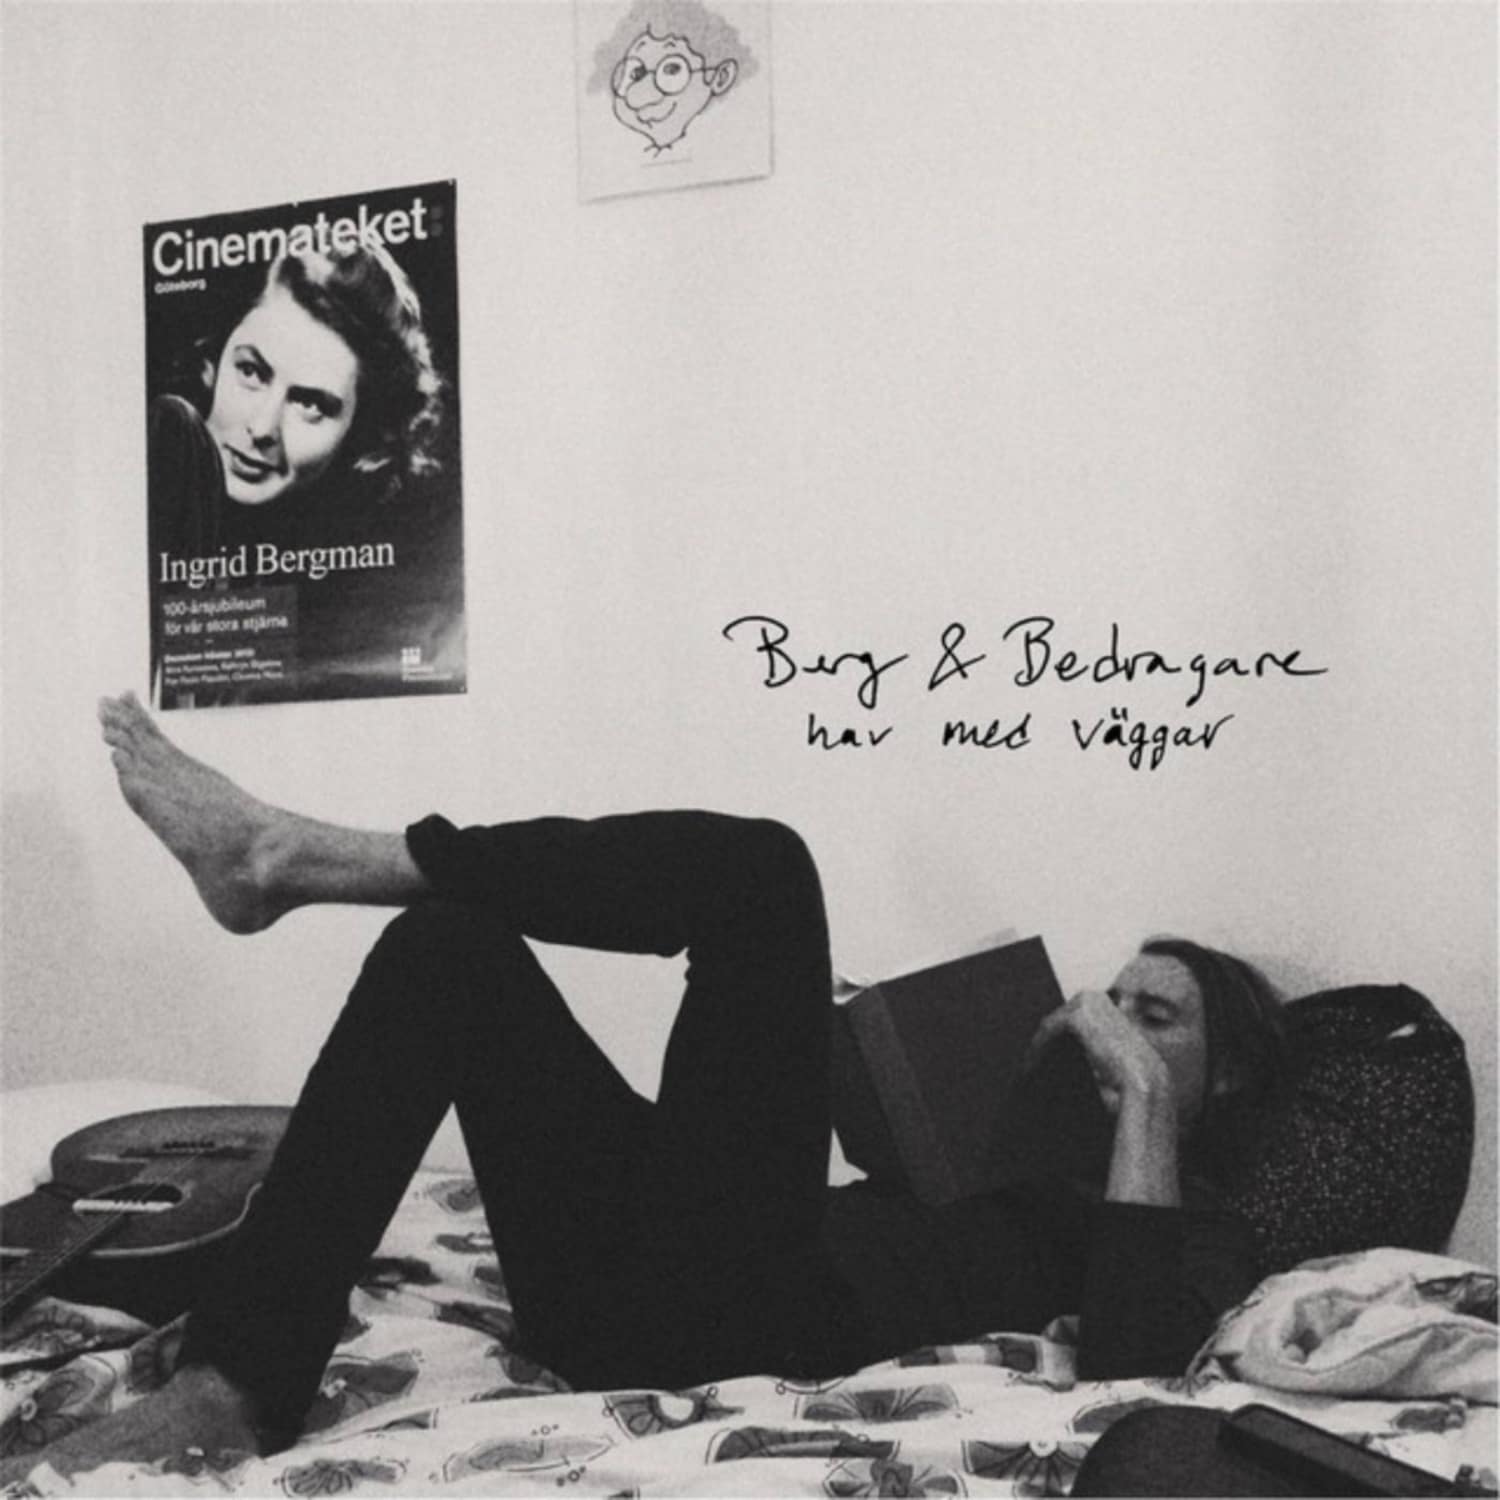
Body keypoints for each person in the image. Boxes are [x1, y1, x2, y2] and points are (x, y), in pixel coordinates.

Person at [7, 693, 1287, 1480]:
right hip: (631, 1284)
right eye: (1112, 1001)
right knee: (451, 951)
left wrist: (1139, 1097)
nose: (1113, 1026)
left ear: (1221, 1078)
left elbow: (1134, 1369)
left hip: (756, 1317)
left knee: (764, 874)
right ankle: (235, 1383)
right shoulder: (1007, 1133)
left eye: (1155, 1016)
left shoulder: (1220, 1240)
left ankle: (296, 858)